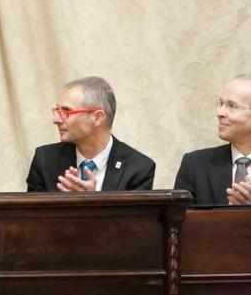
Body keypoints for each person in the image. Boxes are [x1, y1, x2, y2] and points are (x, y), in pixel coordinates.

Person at [27, 76, 155, 192]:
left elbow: (132, 218)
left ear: (97, 118)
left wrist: (92, 203)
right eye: (57, 111)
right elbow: (32, 216)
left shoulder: (139, 169)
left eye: (66, 112)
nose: (56, 120)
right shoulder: (45, 160)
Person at [174, 75, 251, 206]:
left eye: (232, 106)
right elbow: (176, 222)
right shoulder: (195, 165)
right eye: (221, 104)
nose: (220, 113)